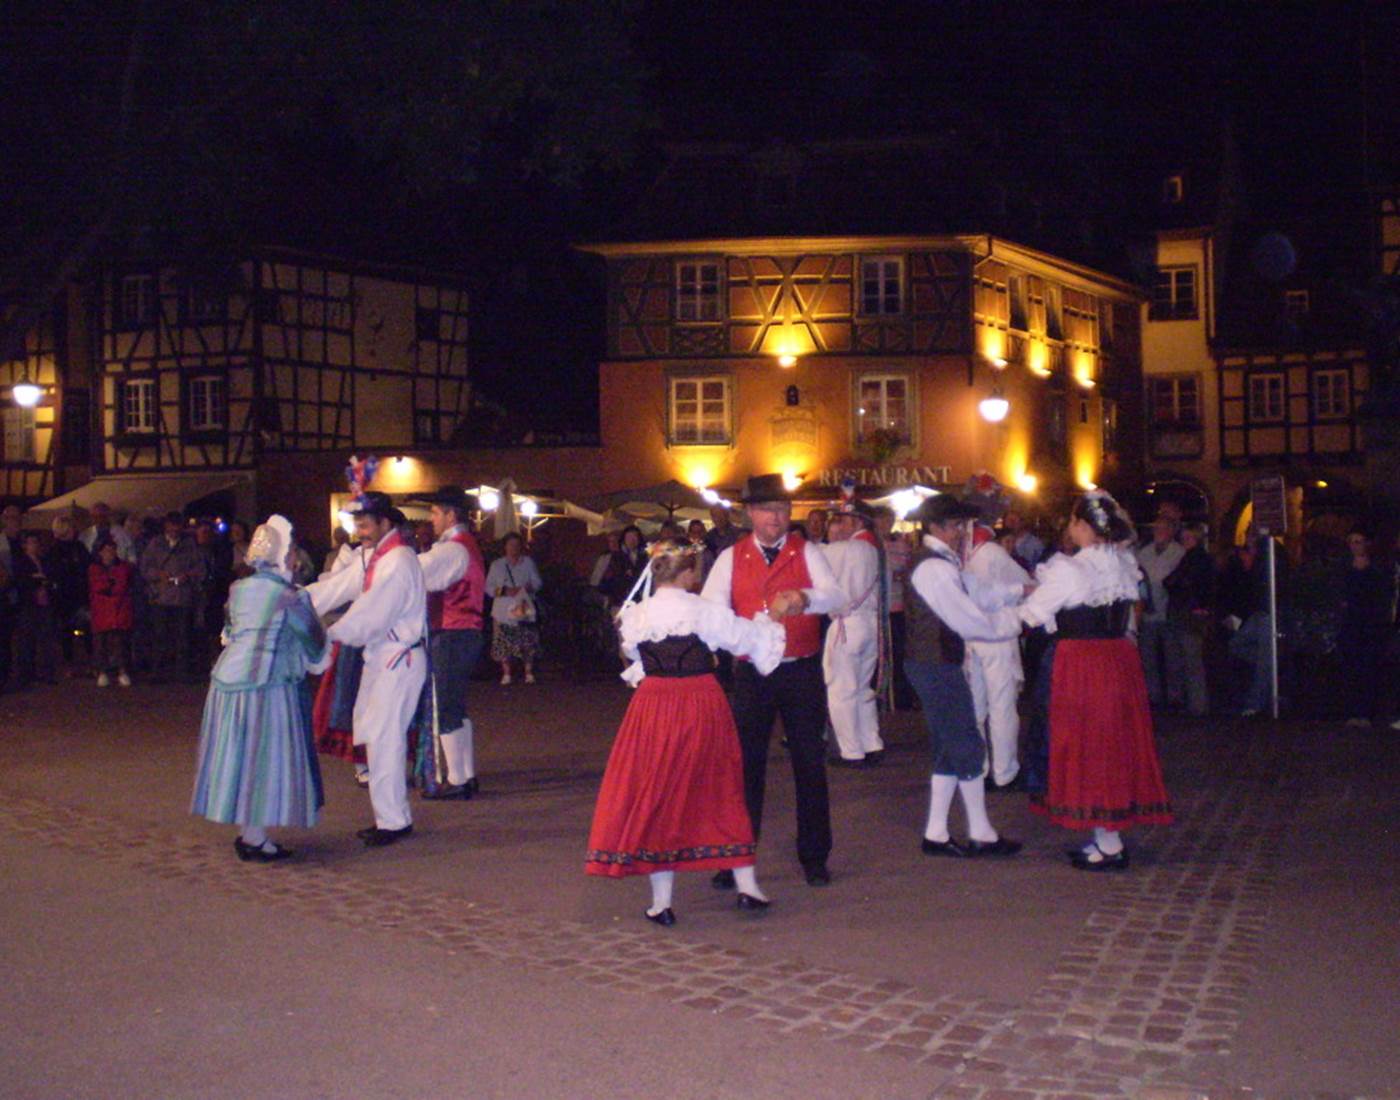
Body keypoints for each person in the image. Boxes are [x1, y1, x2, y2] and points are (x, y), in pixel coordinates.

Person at [587, 539, 787, 925]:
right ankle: (748, 888)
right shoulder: (704, 612)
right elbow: (750, 641)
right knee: (721, 786)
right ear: (689, 573)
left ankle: (662, 903)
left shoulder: (635, 615)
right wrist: (771, 619)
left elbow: (634, 660)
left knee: (659, 793)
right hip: (700, 703)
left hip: (653, 706)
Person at [700, 473, 845, 887]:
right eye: (767, 510)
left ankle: (814, 855)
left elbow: (837, 596)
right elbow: (712, 611)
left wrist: (805, 598)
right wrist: (739, 635)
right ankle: (735, 857)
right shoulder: (731, 556)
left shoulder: (808, 551)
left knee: (809, 763)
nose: (776, 518)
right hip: (752, 672)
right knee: (744, 765)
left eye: (782, 510)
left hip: (800, 669)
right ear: (750, 514)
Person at [1018, 491, 1173, 870]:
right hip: (1118, 661)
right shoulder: (1123, 563)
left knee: (1086, 744)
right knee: (1112, 744)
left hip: (1081, 665)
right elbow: (1129, 620)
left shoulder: (1071, 569)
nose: (1070, 529)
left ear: (1084, 527)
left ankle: (1108, 843)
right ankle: (1108, 837)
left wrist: (984, 624)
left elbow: (1033, 615)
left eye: (1073, 522)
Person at [190, 515, 327, 861]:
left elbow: (230, 633)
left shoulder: (238, 590)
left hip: (227, 685)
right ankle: (254, 839)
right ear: (283, 554)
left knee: (241, 759)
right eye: (293, 549)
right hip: (266, 687)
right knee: (264, 760)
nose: (296, 557)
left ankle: (251, 834)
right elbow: (314, 644)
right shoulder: (289, 596)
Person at [905, 496, 1025, 859]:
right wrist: (1016, 620)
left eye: (962, 525)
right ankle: (981, 832)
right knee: (968, 744)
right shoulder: (934, 568)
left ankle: (937, 833)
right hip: (935, 664)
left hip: (934, 662)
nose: (961, 532)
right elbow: (967, 618)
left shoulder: (941, 563)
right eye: (956, 525)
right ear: (936, 527)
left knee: (948, 748)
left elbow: (978, 591)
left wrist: (1021, 591)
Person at [306, 492, 427, 847]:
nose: (359, 531)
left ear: (385, 523)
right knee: (376, 733)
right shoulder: (375, 558)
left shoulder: (399, 560)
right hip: (383, 656)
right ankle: (390, 817)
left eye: (365, 524)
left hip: (398, 658)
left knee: (384, 737)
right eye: (356, 524)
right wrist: (294, 603)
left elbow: (372, 613)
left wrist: (329, 634)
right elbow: (335, 588)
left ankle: (393, 821)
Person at [415, 487, 487, 800]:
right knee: (455, 705)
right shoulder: (463, 545)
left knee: (446, 705)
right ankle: (465, 775)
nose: (431, 519)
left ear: (450, 515)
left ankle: (458, 778)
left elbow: (418, 575)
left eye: (435, 513)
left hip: (453, 631)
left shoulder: (452, 549)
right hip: (464, 631)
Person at [962, 519, 1031, 791]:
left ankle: (980, 768)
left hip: (971, 637)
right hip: (997, 636)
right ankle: (1005, 772)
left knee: (976, 707)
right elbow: (1026, 585)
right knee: (1002, 706)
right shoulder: (993, 552)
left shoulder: (960, 555)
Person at [821, 503, 886, 766]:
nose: (839, 526)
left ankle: (851, 751)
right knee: (861, 689)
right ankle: (871, 743)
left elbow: (812, 556)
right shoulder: (873, 548)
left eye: (844, 521)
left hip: (847, 624)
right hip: (870, 624)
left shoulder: (849, 548)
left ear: (858, 522)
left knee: (841, 690)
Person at [140, 512, 205, 682]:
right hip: (160, 596)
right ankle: (159, 671)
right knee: (159, 635)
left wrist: (187, 576)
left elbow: (200, 569)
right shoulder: (155, 544)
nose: (174, 529)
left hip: (181, 597)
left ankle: (180, 672)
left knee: (182, 636)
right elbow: (145, 568)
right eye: (171, 525)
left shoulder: (189, 545)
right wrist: (158, 575)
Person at [1338, 528, 1394, 728]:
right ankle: (1353, 712)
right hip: (1350, 625)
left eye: (1359, 541)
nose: (1355, 546)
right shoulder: (1344, 568)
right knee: (1352, 669)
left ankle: (1366, 713)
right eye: (1352, 542)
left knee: (1368, 670)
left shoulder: (1376, 569)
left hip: (1369, 626)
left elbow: (1380, 597)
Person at [1162, 523, 1214, 717]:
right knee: (1188, 659)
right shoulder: (1197, 559)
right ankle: (1194, 702)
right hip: (1192, 612)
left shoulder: (1194, 560)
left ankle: (1196, 704)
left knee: (1190, 660)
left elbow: (1173, 583)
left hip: (1188, 613)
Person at [1136, 516, 1185, 709]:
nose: (1159, 532)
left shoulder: (1178, 552)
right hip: (1149, 611)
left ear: (1172, 531)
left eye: (1164, 528)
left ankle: (1175, 697)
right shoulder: (1144, 552)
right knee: (1148, 658)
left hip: (1168, 611)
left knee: (1172, 657)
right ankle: (1153, 696)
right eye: (1157, 528)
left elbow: (1160, 577)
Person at [486, 532, 544, 684]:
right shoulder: (497, 565)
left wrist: (527, 588)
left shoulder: (528, 563)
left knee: (526, 639)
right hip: (502, 610)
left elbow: (538, 583)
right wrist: (505, 591)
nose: (514, 548)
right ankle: (506, 673)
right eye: (511, 545)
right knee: (503, 641)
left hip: (523, 608)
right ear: (504, 547)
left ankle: (528, 672)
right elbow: (488, 588)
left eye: (517, 545)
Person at [12, 531, 59, 687]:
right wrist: (37, 581)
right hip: (29, 604)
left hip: (44, 603)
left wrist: (43, 581)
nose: (34, 545)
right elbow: (22, 581)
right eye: (31, 542)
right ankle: (26, 674)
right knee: (27, 640)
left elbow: (50, 578)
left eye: (36, 542)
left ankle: (46, 673)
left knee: (46, 639)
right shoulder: (21, 562)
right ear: (25, 545)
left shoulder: (43, 561)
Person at [44, 513, 91, 670]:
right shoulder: (54, 551)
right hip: (63, 598)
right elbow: (54, 573)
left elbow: (88, 567)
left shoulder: (79, 548)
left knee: (86, 629)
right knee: (66, 631)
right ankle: (69, 662)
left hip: (80, 595)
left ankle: (89, 662)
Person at [88, 537, 134, 687]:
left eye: (112, 550)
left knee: (119, 643)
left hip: (119, 611)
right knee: (101, 644)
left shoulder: (123, 567)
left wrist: (110, 586)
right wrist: (110, 585)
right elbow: (99, 586)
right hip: (102, 612)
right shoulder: (94, 569)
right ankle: (102, 672)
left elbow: (120, 586)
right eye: (106, 551)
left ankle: (121, 671)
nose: (110, 554)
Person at [603, 525, 648, 608]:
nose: (632, 540)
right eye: (629, 537)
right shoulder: (617, 557)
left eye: (635, 536)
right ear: (624, 539)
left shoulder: (644, 556)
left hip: (639, 600)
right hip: (620, 600)